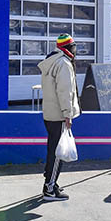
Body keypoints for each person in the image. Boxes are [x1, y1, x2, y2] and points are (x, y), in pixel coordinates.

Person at [38, 34, 81, 201]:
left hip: (50, 113)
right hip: (59, 115)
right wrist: (67, 114)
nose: (75, 51)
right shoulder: (63, 63)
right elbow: (65, 91)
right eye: (73, 47)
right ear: (67, 48)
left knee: (53, 150)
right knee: (57, 153)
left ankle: (51, 181)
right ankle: (49, 188)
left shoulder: (52, 60)